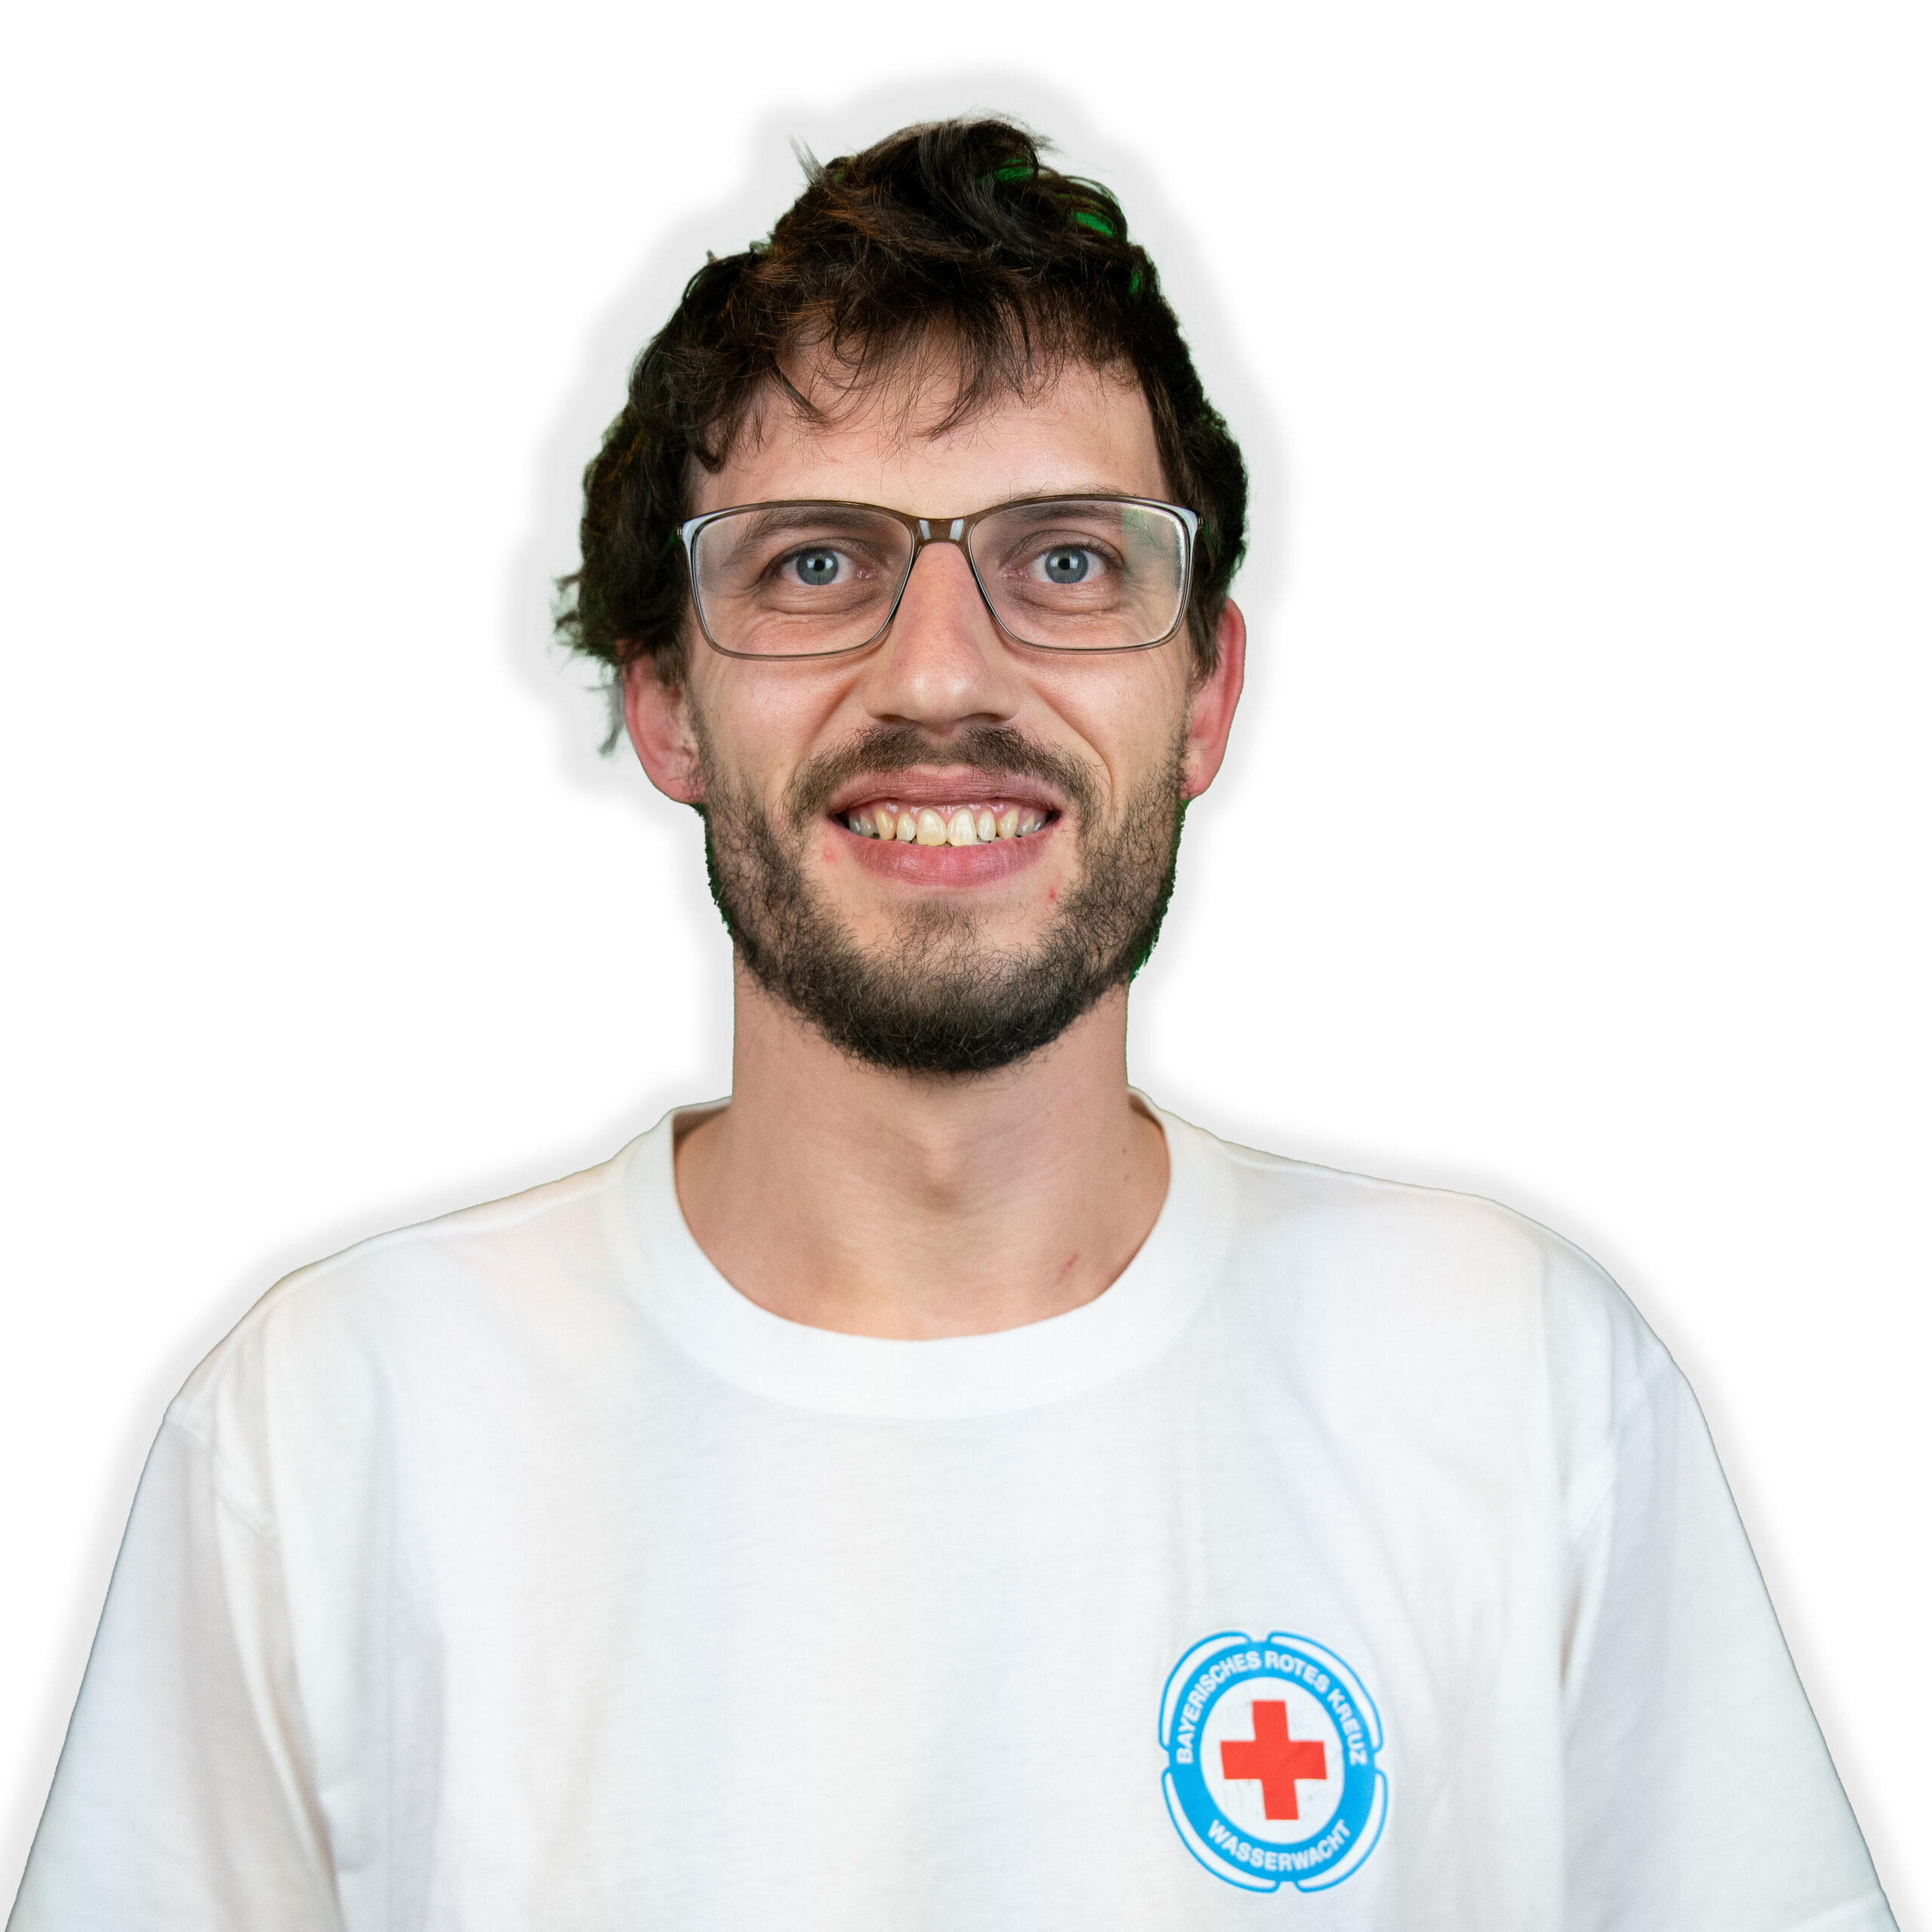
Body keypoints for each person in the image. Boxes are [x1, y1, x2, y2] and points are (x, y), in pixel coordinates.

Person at [8, 117, 1895, 1932]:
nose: (935, 675)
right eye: (812, 564)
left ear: (1203, 691)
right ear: (662, 700)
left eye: (1064, 559)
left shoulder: (1508, 1375)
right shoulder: (337, 1425)